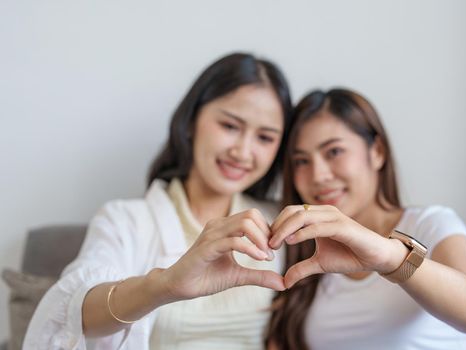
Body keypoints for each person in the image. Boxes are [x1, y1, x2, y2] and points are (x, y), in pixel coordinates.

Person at [23, 52, 293, 349]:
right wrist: (164, 286)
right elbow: (76, 314)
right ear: (191, 120)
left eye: (265, 138)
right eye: (230, 126)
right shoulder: (125, 220)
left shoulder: (278, 223)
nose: (243, 152)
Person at [266, 88, 466, 350]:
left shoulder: (430, 224)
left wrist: (389, 257)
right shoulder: (303, 249)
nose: (318, 175)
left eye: (334, 152)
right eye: (301, 161)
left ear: (377, 151)